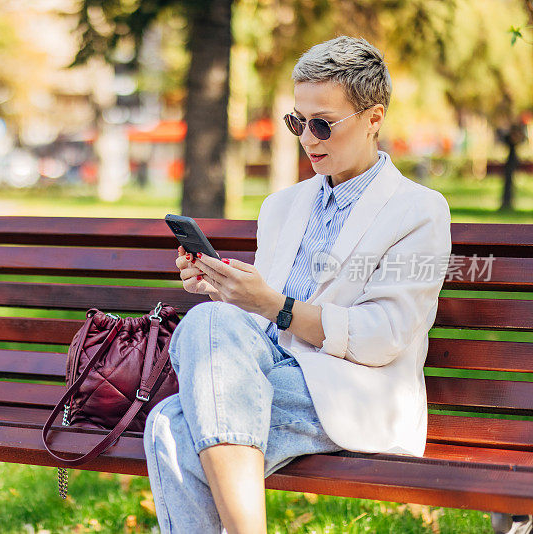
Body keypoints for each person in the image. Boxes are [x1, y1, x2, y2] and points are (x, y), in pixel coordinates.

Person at [142, 35, 452, 534]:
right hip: (266, 371)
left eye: (323, 124)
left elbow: (383, 335)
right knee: (210, 319)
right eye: (297, 122)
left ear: (374, 119)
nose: (308, 139)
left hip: (354, 388)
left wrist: (276, 306)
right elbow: (260, 320)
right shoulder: (282, 206)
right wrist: (225, 288)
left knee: (170, 427)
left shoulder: (419, 210)